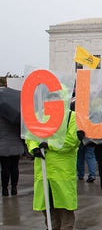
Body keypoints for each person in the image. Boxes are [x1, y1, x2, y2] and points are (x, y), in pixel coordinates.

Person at [27, 97, 81, 230]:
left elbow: (71, 141)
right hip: (43, 171)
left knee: (65, 211)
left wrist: (49, 145)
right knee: (48, 211)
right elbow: (30, 135)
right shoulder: (39, 117)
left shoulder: (71, 116)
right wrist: (33, 148)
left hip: (62, 172)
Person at [0, 116, 24, 196]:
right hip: (16, 146)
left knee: (5, 168)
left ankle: (5, 189)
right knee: (14, 167)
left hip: (3, 147)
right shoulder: (16, 119)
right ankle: (14, 188)